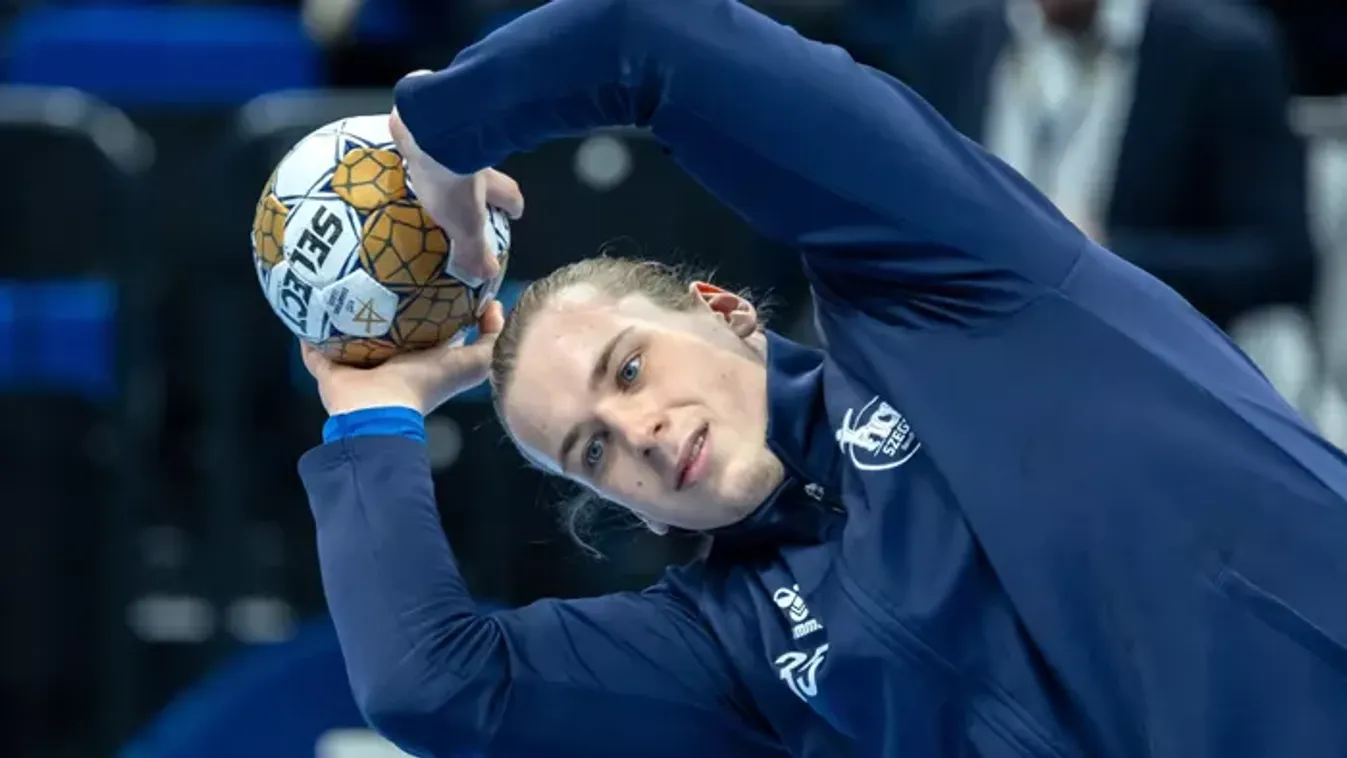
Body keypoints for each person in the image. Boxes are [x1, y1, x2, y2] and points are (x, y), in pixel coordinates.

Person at [296, 0, 1347, 756]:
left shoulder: (951, 288)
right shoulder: (731, 642)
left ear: (725, 310)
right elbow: (435, 688)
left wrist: (436, 138)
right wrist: (370, 416)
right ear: (624, 506)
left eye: (630, 367)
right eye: (594, 449)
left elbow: (651, 37)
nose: (640, 429)